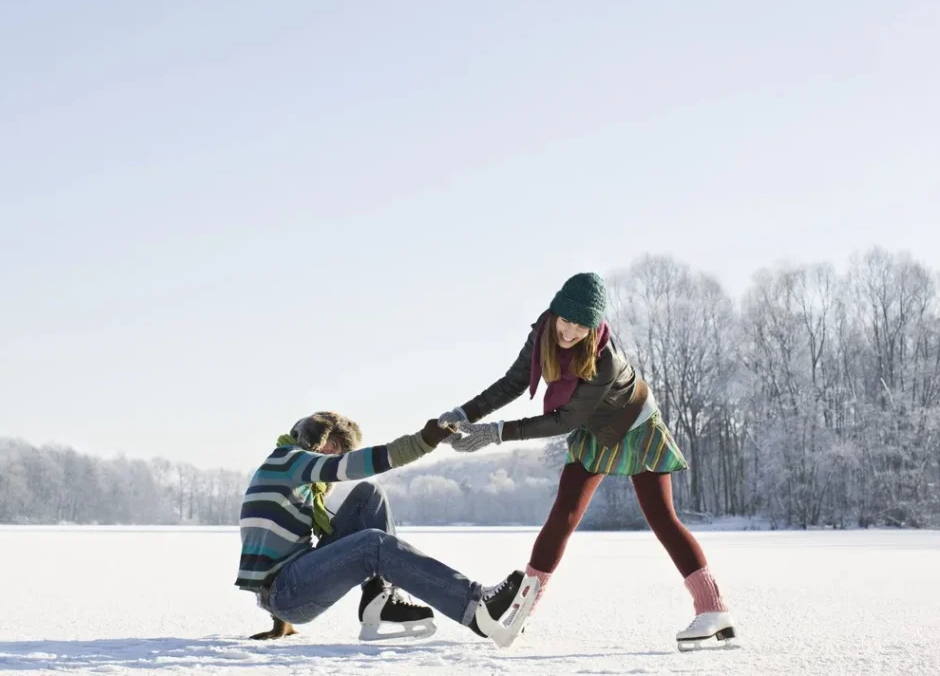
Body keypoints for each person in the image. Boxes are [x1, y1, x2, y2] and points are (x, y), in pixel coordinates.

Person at [438, 272, 736, 650]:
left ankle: (714, 609)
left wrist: (494, 433)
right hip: (596, 429)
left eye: (582, 326)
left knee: (661, 517)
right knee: (563, 516)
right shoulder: (542, 333)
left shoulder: (604, 358)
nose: (571, 332)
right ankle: (522, 610)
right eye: (567, 321)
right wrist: (466, 413)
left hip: (636, 426)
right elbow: (513, 382)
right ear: (555, 312)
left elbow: (566, 420)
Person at [235, 410, 539, 646]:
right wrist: (422, 441)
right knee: (373, 544)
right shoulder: (290, 460)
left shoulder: (289, 469)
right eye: (336, 447)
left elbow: (268, 545)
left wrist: (281, 622)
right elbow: (350, 466)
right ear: (317, 436)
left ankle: (382, 601)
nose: (335, 456)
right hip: (288, 591)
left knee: (369, 495)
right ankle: (476, 610)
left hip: (289, 586)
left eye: (341, 452)